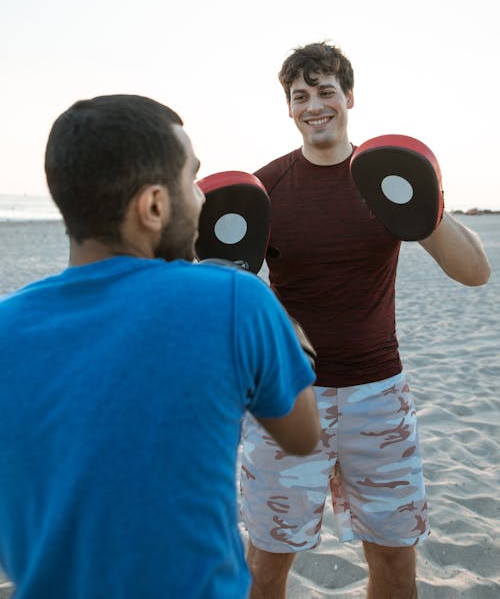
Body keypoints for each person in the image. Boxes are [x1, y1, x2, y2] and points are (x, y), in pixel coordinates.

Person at [0, 94, 321, 599]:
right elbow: (303, 435)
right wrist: (288, 333)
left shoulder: (6, 326)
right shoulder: (237, 300)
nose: (201, 198)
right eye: (191, 180)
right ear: (153, 206)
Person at [239, 43, 491, 599]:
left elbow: (475, 273)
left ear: (349, 96)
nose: (314, 106)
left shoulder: (386, 178)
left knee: (397, 565)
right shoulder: (266, 189)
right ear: (288, 108)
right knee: (264, 566)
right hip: (287, 399)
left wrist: (428, 208)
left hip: (379, 395)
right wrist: (278, 321)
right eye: (299, 96)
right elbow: (227, 284)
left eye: (325, 91)